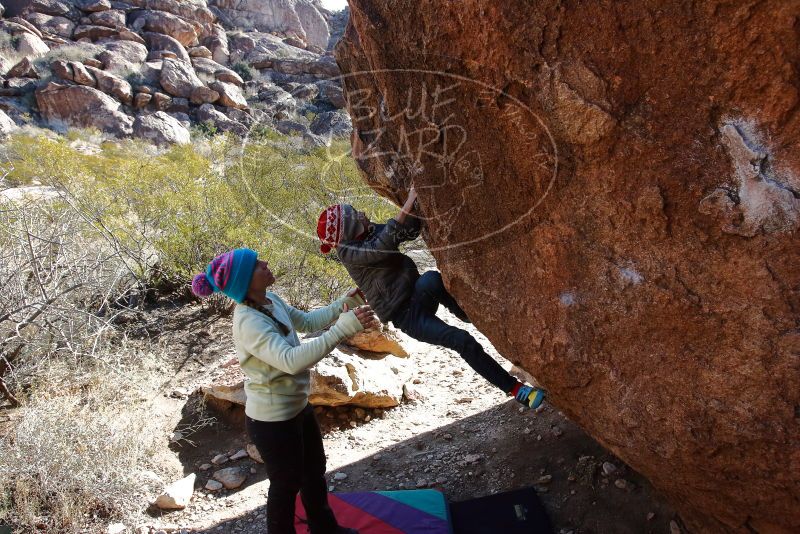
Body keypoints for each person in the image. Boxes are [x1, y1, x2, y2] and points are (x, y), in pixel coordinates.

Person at [191, 248, 374, 534]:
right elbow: (291, 361)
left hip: (298, 406)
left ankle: (325, 529)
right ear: (244, 282)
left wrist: (344, 304)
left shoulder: (270, 300)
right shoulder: (249, 322)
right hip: (272, 421)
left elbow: (308, 322)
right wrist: (341, 330)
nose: (265, 263)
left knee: (314, 471)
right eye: (256, 265)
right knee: (286, 485)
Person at [315, 189, 545, 410]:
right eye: (355, 214)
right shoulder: (349, 254)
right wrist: (408, 203)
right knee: (461, 340)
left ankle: (470, 314)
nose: (361, 213)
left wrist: (416, 209)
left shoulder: (370, 231)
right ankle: (517, 390)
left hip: (417, 293)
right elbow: (382, 246)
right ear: (350, 227)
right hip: (405, 316)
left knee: (432, 279)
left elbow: (408, 232)